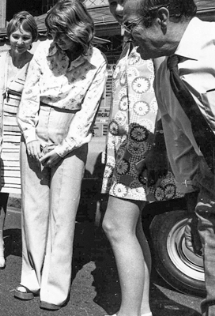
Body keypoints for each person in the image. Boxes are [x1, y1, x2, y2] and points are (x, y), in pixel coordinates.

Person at [122, 0, 215, 315]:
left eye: (131, 24)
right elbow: (182, 146)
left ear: (161, 18)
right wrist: (195, 205)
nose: (125, 32)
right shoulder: (165, 73)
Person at [14, 0, 107, 310]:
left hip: (71, 135)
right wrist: (29, 136)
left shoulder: (97, 62)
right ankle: (32, 278)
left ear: (78, 30)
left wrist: (64, 148)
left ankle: (55, 287)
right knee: (33, 209)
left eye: (61, 33)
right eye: (52, 32)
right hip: (36, 129)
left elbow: (88, 115)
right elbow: (29, 95)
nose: (56, 39)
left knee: (62, 216)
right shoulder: (42, 51)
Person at [101, 1, 183, 316]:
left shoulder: (154, 43)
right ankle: (141, 309)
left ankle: (129, 312)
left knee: (116, 226)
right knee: (131, 229)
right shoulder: (134, 42)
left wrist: (136, 156)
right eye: (112, 2)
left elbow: (150, 110)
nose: (118, 7)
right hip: (127, 146)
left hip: (138, 146)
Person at [0, 10, 37, 270]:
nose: (20, 41)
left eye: (26, 36)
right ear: (8, 35)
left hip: (23, 136)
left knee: (28, 195)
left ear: (33, 38)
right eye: (15, 35)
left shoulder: (37, 64)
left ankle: (31, 252)